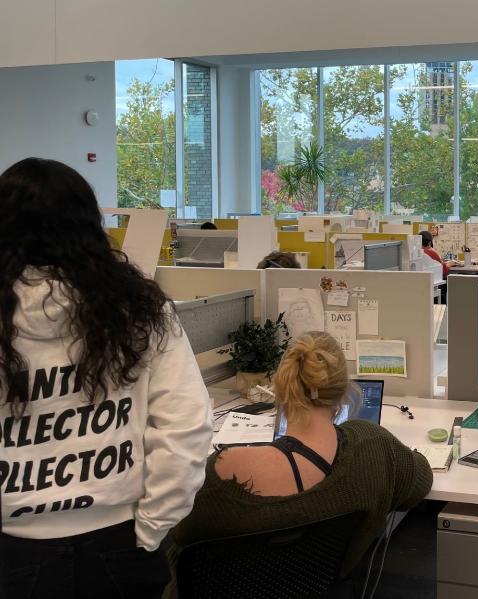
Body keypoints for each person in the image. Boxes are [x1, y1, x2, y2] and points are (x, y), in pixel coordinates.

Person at [0, 158, 213, 598]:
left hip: (13, 550)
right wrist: (152, 528)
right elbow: (186, 428)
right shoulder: (137, 310)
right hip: (119, 543)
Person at [168, 332, 432, 590]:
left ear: (281, 389)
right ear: (343, 394)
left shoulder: (220, 474)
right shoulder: (374, 446)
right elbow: (420, 481)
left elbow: (175, 536)